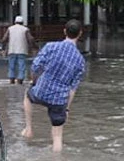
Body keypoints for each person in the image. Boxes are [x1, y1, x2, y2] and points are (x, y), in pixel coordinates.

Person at [21, 19, 86, 152]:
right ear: (80, 34)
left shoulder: (51, 46)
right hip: (60, 99)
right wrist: (66, 109)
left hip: (41, 91)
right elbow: (73, 89)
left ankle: (28, 129)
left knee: (28, 96)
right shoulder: (80, 60)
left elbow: (35, 67)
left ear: (64, 31)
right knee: (57, 137)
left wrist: (34, 82)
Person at [0, 15, 36, 84]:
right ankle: (20, 81)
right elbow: (31, 39)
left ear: (15, 22)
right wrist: (33, 47)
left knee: (11, 66)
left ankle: (11, 80)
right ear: (22, 22)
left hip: (12, 50)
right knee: (21, 66)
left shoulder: (10, 28)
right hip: (22, 50)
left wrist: (3, 48)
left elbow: (4, 39)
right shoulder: (25, 29)